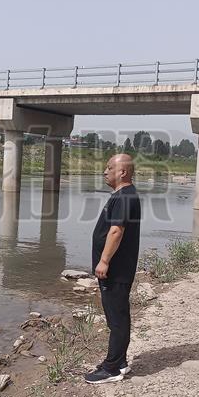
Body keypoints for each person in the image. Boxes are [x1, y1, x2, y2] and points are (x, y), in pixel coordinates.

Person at [84, 153, 141, 384]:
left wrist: (104, 260)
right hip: (117, 268)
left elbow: (116, 231)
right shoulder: (122, 195)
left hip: (116, 269)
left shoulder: (125, 197)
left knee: (116, 318)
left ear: (122, 172)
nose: (105, 172)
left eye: (109, 168)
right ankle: (119, 361)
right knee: (116, 315)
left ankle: (112, 368)